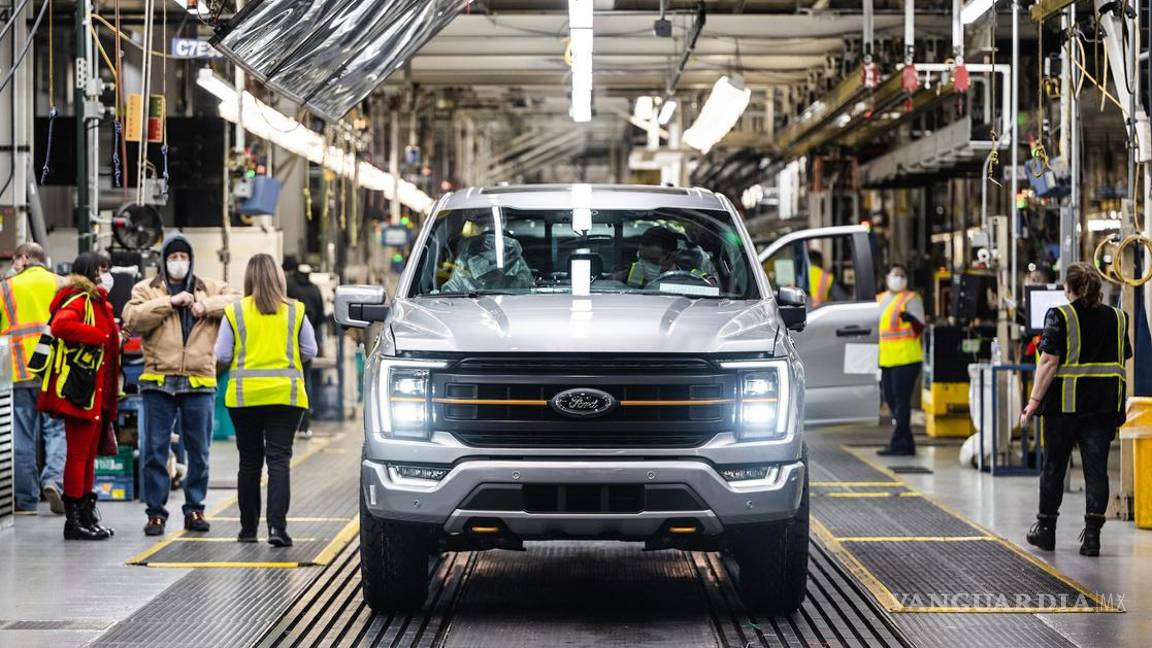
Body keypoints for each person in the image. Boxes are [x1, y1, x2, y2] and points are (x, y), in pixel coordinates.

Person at [122, 234, 238, 537]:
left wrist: (205, 305)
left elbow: (238, 302)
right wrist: (168, 302)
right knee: (154, 451)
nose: (178, 262)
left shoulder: (209, 288)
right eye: (173, 257)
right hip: (159, 383)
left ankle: (195, 509)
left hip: (199, 382)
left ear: (191, 260)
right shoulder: (146, 289)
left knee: (199, 452)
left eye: (183, 256)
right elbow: (132, 317)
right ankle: (155, 514)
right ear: (164, 261)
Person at [1021, 263, 1131, 556]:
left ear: (1068, 289)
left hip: (1064, 409)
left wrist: (1032, 403)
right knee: (1097, 473)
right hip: (1103, 410)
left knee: (1054, 467)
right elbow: (1122, 359)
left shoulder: (1060, 315)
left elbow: (1048, 363)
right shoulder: (1119, 319)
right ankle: (1092, 538)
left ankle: (1046, 530)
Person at [217, 254, 317, 547]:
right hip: (285, 396)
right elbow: (310, 350)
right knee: (278, 460)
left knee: (249, 462)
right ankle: (277, 529)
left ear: (248, 278)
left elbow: (222, 355)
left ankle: (248, 530)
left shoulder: (234, 312)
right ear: (279, 278)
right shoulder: (295, 311)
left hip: (244, 397)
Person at [37, 252, 120, 540]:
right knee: (79, 455)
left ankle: (85, 512)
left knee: (87, 457)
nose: (106, 273)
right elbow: (61, 325)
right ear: (90, 271)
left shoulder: (99, 302)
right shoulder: (79, 299)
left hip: (98, 391)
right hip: (81, 391)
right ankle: (74, 520)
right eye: (102, 269)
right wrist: (100, 336)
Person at [3, 242, 67, 515]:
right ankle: (53, 480)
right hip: (54, 371)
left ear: (26, 259)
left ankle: (26, 500)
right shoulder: (62, 284)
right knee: (56, 431)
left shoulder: (6, 287)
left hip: (18, 369)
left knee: (22, 435)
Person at [876, 263, 925, 456]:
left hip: (907, 358)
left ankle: (898, 443)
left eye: (901, 275)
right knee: (890, 399)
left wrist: (911, 319)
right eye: (894, 274)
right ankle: (907, 442)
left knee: (901, 401)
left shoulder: (912, 299)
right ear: (887, 277)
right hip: (886, 359)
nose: (898, 278)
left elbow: (920, 327)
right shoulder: (880, 299)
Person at [284, 257, 325, 438]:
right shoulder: (315, 289)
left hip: (286, 341)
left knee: (286, 382)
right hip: (307, 341)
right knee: (305, 382)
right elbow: (321, 317)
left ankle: (288, 424)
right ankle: (304, 425)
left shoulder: (288, 286)